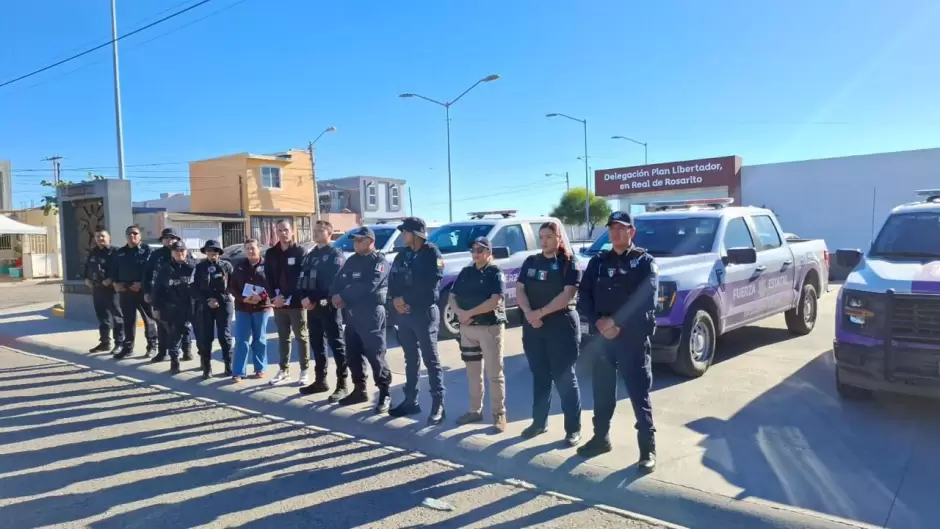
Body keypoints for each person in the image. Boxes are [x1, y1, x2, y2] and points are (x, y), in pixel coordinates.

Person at [576, 211, 658, 474]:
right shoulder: (598, 262)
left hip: (631, 338)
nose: (615, 233)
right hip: (602, 339)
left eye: (621, 228)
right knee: (602, 392)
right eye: (611, 228)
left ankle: (647, 449)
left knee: (638, 394)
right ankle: (601, 438)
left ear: (631, 232)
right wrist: (599, 322)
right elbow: (584, 296)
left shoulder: (644, 262)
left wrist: (617, 324)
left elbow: (646, 298)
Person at [516, 222, 582, 446]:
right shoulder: (531, 262)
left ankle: (573, 429)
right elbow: (520, 289)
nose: (544, 241)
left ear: (558, 238)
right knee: (540, 377)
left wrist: (539, 313)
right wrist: (529, 314)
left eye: (548, 237)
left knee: (565, 378)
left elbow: (568, 294)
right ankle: (538, 422)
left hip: (561, 327)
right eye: (541, 237)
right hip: (534, 328)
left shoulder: (568, 263)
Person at [387, 217, 446, 425]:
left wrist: (407, 300)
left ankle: (438, 404)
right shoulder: (402, 255)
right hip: (404, 315)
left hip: (424, 314)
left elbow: (431, 286)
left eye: (405, 232)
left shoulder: (432, 254)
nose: (402, 235)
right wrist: (395, 300)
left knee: (431, 360)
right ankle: (411, 400)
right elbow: (392, 280)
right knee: (410, 359)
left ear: (417, 234)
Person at [329, 226, 392, 413]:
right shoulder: (351, 261)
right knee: (353, 354)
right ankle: (359, 389)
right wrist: (334, 295)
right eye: (354, 240)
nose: (355, 243)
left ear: (370, 242)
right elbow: (337, 281)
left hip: (371, 314)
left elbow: (369, 286)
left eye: (359, 240)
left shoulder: (379, 261)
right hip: (352, 314)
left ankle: (384, 393)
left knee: (375, 354)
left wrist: (344, 296)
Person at [448, 236, 508, 432]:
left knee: (494, 373)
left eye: (480, 250)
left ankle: (499, 414)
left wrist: (469, 313)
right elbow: (452, 295)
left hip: (489, 328)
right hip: (467, 329)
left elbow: (495, 300)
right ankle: (475, 410)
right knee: (473, 373)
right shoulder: (466, 272)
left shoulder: (494, 272)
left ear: (489, 253)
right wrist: (459, 313)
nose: (476, 253)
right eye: (473, 250)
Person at [297, 220, 349, 402]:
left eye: (320, 231)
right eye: (315, 230)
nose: (316, 233)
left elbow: (332, 283)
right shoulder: (311, 255)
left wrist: (310, 298)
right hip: (311, 308)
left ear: (329, 233)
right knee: (317, 345)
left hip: (328, 306)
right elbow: (302, 278)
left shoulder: (335, 254)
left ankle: (342, 384)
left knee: (336, 345)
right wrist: (304, 298)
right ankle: (320, 381)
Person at [264, 220, 310, 386]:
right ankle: (284, 370)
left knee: (301, 336)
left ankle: (304, 370)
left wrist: (285, 295)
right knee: (283, 337)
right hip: (278, 303)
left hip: (296, 302)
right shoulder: (271, 253)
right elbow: (267, 277)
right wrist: (273, 298)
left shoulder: (300, 251)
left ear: (292, 231)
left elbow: (300, 278)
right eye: (280, 230)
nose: (283, 233)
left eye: (286, 230)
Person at [146, 228, 193, 363]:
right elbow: (147, 274)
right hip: (164, 297)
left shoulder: (185, 254)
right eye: (166, 238)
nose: (169, 240)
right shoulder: (156, 255)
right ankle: (162, 352)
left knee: (185, 327)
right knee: (162, 326)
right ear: (162, 240)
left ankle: (187, 351)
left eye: (172, 238)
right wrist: (148, 293)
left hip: (184, 299)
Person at [110, 225, 157, 359]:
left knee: (149, 320)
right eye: (129, 234)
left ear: (140, 236)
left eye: (135, 233)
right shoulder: (120, 252)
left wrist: (141, 284)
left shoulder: (148, 251)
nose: (132, 236)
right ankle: (128, 348)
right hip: (126, 292)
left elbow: (153, 271)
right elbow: (114, 269)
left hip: (143, 291)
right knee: (128, 321)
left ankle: (152, 347)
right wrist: (115, 283)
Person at [229, 239, 272, 382]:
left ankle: (260, 368)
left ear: (259, 249)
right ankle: (238, 372)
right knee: (241, 340)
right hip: (243, 308)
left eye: (253, 248)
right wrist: (242, 298)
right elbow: (231, 288)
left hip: (261, 307)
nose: (250, 251)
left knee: (259, 339)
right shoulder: (239, 267)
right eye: (247, 248)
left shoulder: (268, 266)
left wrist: (261, 296)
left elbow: (273, 285)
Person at [152, 240, 198, 374]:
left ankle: (200, 360)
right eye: (176, 251)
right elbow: (157, 289)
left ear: (186, 251)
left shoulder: (193, 267)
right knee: (174, 336)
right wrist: (156, 307)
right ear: (172, 253)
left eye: (182, 250)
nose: (180, 253)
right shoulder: (165, 269)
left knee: (197, 334)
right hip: (173, 307)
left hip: (192, 306)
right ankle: (174, 362)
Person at [193, 239, 234, 379]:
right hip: (206, 305)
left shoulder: (226, 266)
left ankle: (228, 366)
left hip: (223, 303)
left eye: (214, 251)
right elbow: (195, 288)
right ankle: (206, 367)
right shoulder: (200, 267)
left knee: (225, 336)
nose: (211, 253)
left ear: (219, 252)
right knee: (206, 337)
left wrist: (219, 299)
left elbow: (232, 285)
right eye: (209, 251)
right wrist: (207, 301)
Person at [84, 229, 124, 355]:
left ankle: (119, 343)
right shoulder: (94, 252)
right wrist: (86, 279)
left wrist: (111, 279)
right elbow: (87, 267)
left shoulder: (115, 252)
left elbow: (119, 268)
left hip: (111, 290)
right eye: (97, 237)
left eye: (103, 236)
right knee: (103, 317)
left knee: (117, 317)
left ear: (109, 238)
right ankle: (104, 342)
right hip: (97, 289)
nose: (100, 239)